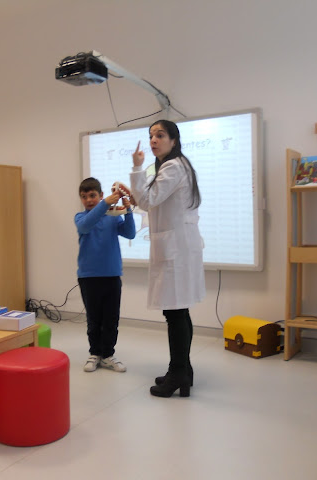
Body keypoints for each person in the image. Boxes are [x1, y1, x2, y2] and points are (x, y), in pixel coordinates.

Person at [129, 120, 205, 398]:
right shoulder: (176, 165)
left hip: (176, 251)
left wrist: (137, 168)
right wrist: (136, 193)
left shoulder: (173, 166)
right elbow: (152, 200)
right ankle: (184, 369)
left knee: (175, 313)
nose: (153, 140)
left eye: (160, 135)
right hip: (178, 247)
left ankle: (178, 373)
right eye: (151, 135)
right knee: (179, 311)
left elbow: (147, 201)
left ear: (174, 140)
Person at [75, 177, 136, 373]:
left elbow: (130, 233)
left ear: (100, 195)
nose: (88, 200)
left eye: (92, 195)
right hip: (88, 277)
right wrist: (104, 204)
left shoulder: (113, 216)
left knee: (111, 319)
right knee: (94, 320)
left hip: (112, 276)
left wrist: (128, 211)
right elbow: (85, 226)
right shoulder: (80, 217)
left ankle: (108, 354)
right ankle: (95, 353)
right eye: (84, 196)